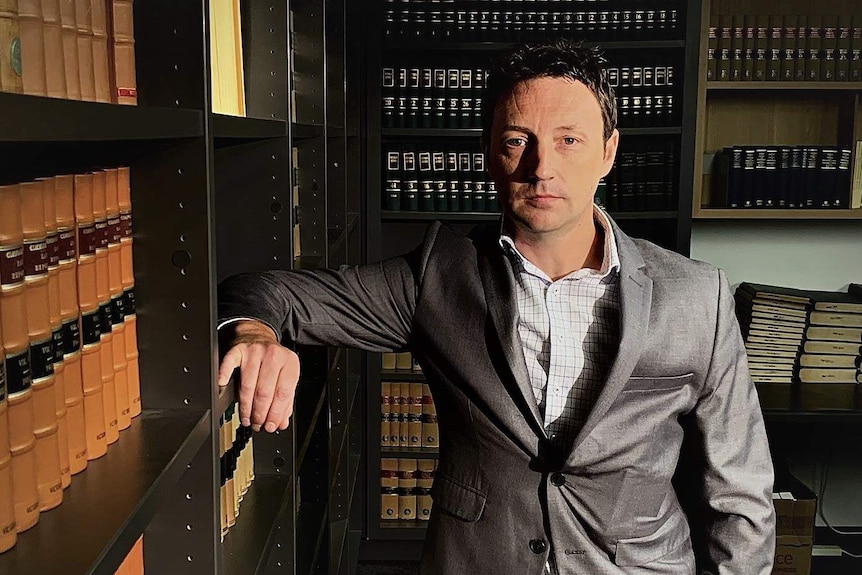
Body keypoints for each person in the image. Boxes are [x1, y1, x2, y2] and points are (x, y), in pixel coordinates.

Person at [217, 39, 776, 575]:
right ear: (488, 151)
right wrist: (254, 334)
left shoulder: (697, 295)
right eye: (517, 140)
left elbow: (741, 491)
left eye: (569, 140)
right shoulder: (438, 275)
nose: (541, 167)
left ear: (608, 152)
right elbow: (265, 290)